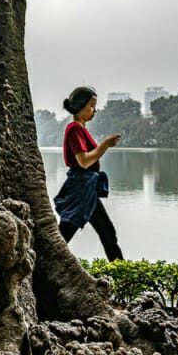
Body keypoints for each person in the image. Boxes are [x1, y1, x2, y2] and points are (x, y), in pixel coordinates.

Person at [54, 86, 124, 261]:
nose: (94, 110)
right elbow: (84, 161)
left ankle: (122, 275)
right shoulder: (74, 129)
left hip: (87, 188)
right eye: (91, 105)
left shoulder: (80, 129)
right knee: (64, 236)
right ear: (81, 106)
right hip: (80, 189)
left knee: (107, 232)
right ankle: (42, 271)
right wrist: (105, 145)